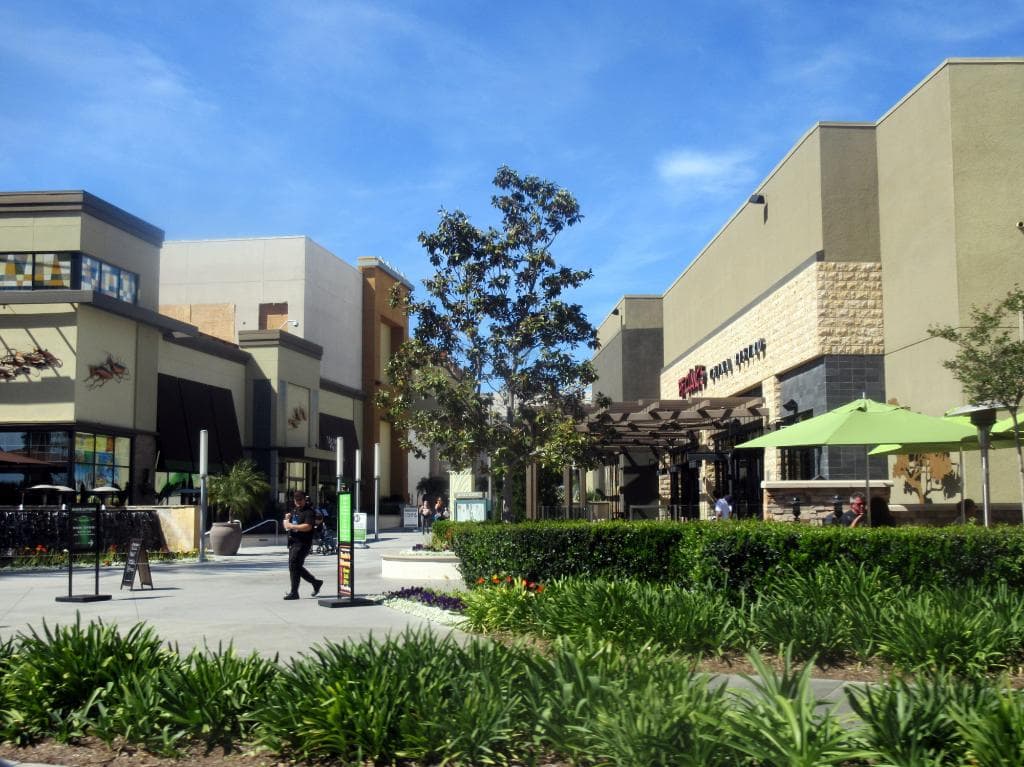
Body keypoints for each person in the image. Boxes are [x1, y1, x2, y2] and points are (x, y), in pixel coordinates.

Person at [282, 490, 323, 600]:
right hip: (293, 542)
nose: (298, 502)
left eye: (300, 499)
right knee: (294, 567)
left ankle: (294, 592)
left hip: (303, 543)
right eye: (296, 500)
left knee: (294, 565)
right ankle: (315, 582)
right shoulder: (295, 510)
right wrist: (287, 519)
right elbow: (287, 523)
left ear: (305, 499)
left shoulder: (309, 512)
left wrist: (291, 526)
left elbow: (308, 526)